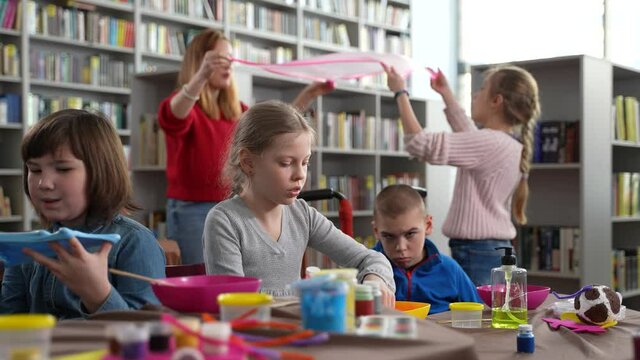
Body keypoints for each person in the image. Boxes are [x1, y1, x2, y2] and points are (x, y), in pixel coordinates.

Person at [158, 29, 333, 265]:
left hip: (236, 205)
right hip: (193, 211)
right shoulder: (185, 104)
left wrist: (308, 94)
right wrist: (201, 76)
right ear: (200, 62)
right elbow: (174, 117)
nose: (227, 65)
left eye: (230, 59)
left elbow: (277, 132)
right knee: (204, 278)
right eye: (219, 59)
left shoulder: (237, 109)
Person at [203, 100, 395, 306]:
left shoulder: (302, 214)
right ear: (248, 162)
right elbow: (236, 305)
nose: (300, 175)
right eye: (286, 163)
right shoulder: (225, 221)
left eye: (305, 162)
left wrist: (375, 280)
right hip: (255, 335)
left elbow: (372, 259)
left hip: (300, 332)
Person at [382, 64, 540, 286]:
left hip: (476, 251)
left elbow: (419, 144)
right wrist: (446, 94)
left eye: (483, 89)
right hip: (491, 248)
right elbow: (470, 135)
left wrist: (400, 93)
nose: (476, 95)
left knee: (475, 318)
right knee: (490, 316)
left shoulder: (489, 142)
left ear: (496, 101)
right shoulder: (506, 142)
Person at [0, 109, 166, 319]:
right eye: (35, 169)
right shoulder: (28, 247)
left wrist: (97, 294)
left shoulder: (134, 243)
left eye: (63, 169)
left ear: (101, 173)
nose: (44, 183)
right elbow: (9, 324)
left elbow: (146, 335)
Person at [371, 184, 481, 314]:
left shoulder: (450, 270)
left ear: (428, 225)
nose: (401, 247)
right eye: (389, 236)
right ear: (376, 231)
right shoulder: (365, 272)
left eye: (410, 234)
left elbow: (478, 317)